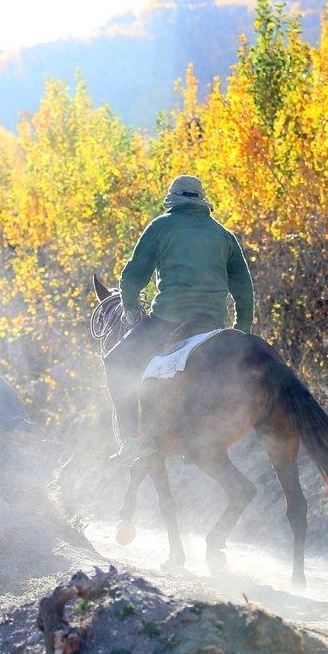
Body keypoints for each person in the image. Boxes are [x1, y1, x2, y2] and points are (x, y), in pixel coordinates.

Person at [105, 174, 254, 462]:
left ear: (172, 200)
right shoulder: (223, 235)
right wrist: (241, 332)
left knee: (117, 362)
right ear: (201, 200)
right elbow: (245, 291)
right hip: (213, 324)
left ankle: (130, 440)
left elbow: (132, 276)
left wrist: (131, 306)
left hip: (168, 320)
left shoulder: (162, 226)